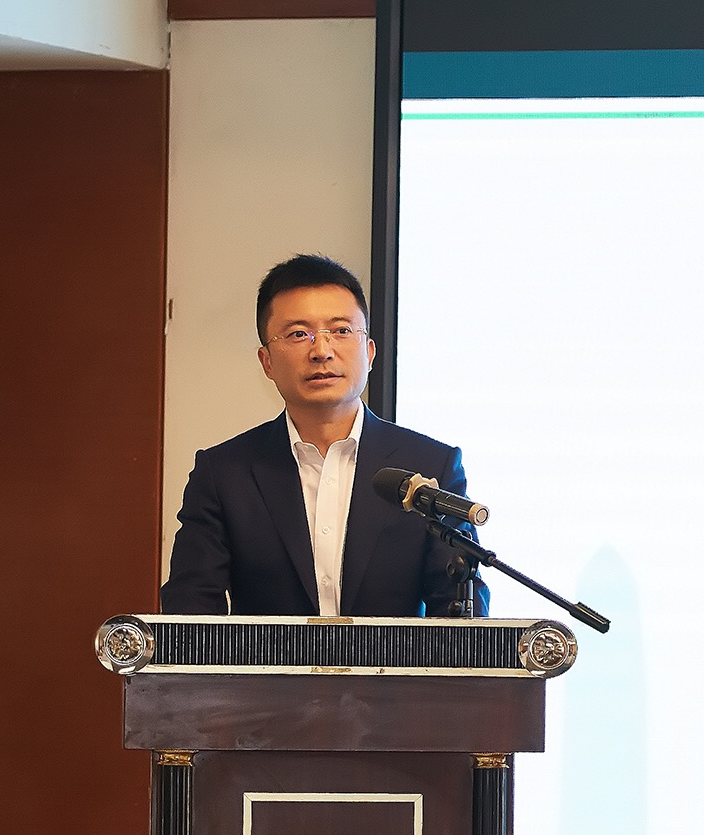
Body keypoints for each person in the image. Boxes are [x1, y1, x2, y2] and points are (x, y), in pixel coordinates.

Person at [160, 254, 483, 617]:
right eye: (299, 334)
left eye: (341, 331)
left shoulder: (432, 465)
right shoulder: (224, 473)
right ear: (267, 361)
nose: (322, 351)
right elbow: (191, 611)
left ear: (369, 352)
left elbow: (458, 613)